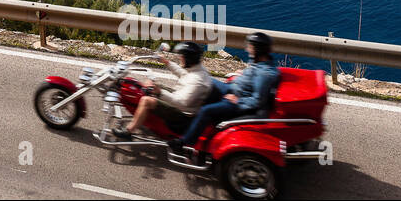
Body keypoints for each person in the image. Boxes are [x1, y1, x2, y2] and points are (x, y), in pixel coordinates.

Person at [169, 32, 280, 160]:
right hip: (234, 89)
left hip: (237, 101)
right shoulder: (261, 64)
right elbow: (253, 77)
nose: (247, 49)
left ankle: (185, 142)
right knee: (208, 82)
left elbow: (257, 100)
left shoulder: (264, 74)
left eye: (250, 47)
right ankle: (191, 120)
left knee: (206, 110)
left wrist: (238, 101)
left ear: (258, 50)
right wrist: (243, 75)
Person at [113, 41, 215, 140]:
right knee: (152, 85)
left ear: (189, 60)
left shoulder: (198, 80)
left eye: (182, 57)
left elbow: (182, 103)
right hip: (180, 99)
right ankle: (143, 117)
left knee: (146, 100)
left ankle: (129, 131)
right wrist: (167, 62)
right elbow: (183, 74)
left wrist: (160, 92)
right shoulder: (197, 69)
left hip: (183, 115)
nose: (180, 58)